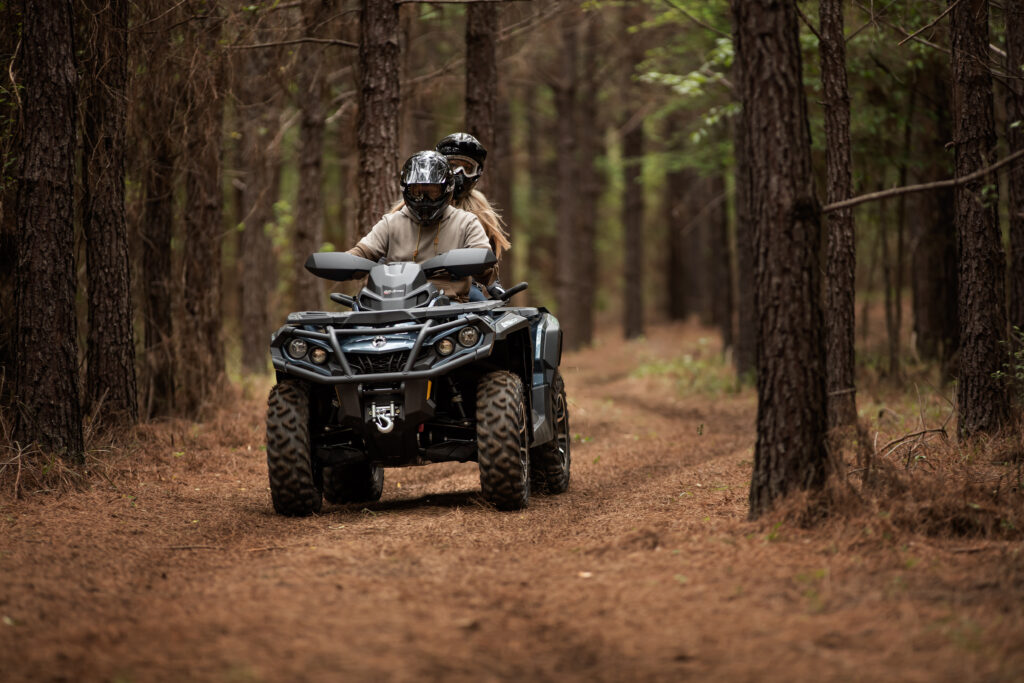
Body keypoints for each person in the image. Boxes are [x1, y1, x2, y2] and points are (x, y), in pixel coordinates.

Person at [348, 150, 494, 302]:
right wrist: (345, 261)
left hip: (449, 310)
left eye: (433, 192)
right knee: (352, 324)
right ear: (406, 190)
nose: (424, 199)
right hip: (391, 306)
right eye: (417, 191)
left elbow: (483, 258)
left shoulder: (466, 222)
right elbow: (361, 253)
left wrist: (465, 263)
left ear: (447, 189)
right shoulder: (390, 223)